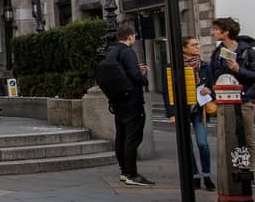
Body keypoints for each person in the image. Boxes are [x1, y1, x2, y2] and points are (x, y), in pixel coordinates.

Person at [100, 22, 153, 186]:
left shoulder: (112, 52)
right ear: (130, 36)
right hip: (132, 100)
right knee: (132, 137)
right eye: (134, 36)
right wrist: (143, 77)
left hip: (118, 101)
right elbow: (135, 77)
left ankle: (124, 171)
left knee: (121, 137)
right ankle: (132, 173)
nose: (134, 38)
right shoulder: (127, 52)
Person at [164, 36, 215, 191]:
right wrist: (171, 113)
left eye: (197, 45)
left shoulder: (204, 66)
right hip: (183, 109)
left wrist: (210, 91)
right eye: (193, 45)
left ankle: (206, 175)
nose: (197, 47)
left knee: (203, 144)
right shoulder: (174, 67)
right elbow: (168, 91)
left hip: (199, 110)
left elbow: (213, 84)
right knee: (187, 145)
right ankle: (194, 176)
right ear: (184, 49)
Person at [210, 16, 255, 162]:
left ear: (226, 32)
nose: (214, 32)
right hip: (225, 102)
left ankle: (252, 172)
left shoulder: (247, 51)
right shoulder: (217, 53)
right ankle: (236, 172)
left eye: (217, 29)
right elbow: (213, 75)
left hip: (244, 100)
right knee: (230, 137)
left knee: (248, 138)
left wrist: (238, 69)